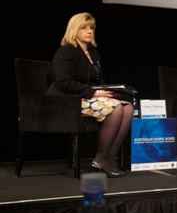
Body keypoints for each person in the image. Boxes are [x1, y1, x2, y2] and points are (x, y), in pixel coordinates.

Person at [47, 12, 132, 177]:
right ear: (74, 30)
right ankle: (100, 159)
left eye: (91, 28)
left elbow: (98, 80)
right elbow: (64, 82)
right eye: (84, 28)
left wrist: (112, 91)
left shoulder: (94, 54)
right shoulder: (66, 51)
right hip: (67, 99)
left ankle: (109, 158)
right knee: (115, 109)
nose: (89, 31)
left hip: (87, 96)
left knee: (127, 107)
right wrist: (96, 92)